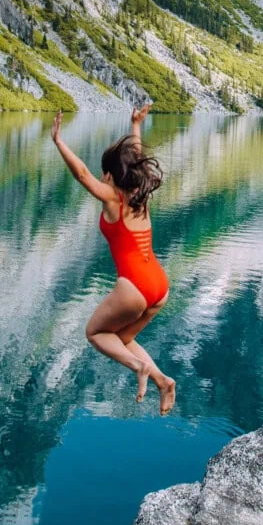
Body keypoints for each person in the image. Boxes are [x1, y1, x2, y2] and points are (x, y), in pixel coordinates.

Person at [51, 105, 176, 414]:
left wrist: (58, 141)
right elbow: (134, 155)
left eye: (104, 174)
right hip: (159, 285)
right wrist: (135, 125)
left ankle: (138, 368)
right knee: (122, 338)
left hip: (133, 285)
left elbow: (81, 174)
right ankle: (162, 381)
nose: (101, 178)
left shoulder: (113, 198)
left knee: (94, 333)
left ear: (109, 175)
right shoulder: (140, 194)